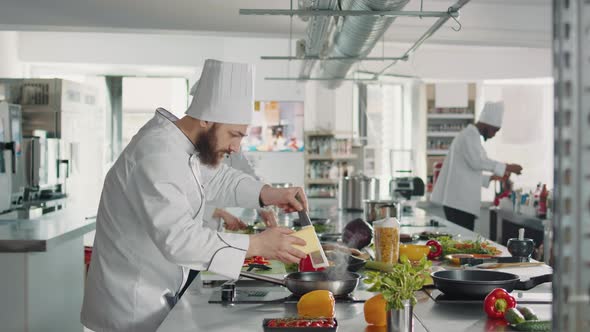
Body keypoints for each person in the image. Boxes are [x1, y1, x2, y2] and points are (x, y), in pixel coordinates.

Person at [81, 59, 307, 332]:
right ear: (207, 118)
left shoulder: (181, 147)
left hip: (155, 292)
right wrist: (257, 245)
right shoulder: (157, 153)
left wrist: (268, 193)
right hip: (133, 303)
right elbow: (179, 240)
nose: (236, 147)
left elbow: (217, 178)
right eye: (234, 135)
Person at [431, 101, 523, 231]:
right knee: (463, 246)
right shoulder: (469, 135)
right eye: (495, 131)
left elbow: (468, 173)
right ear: (487, 124)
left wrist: (491, 178)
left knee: (463, 245)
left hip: (460, 204)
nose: (493, 135)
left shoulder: (471, 136)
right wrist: (508, 167)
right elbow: (477, 162)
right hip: (459, 205)